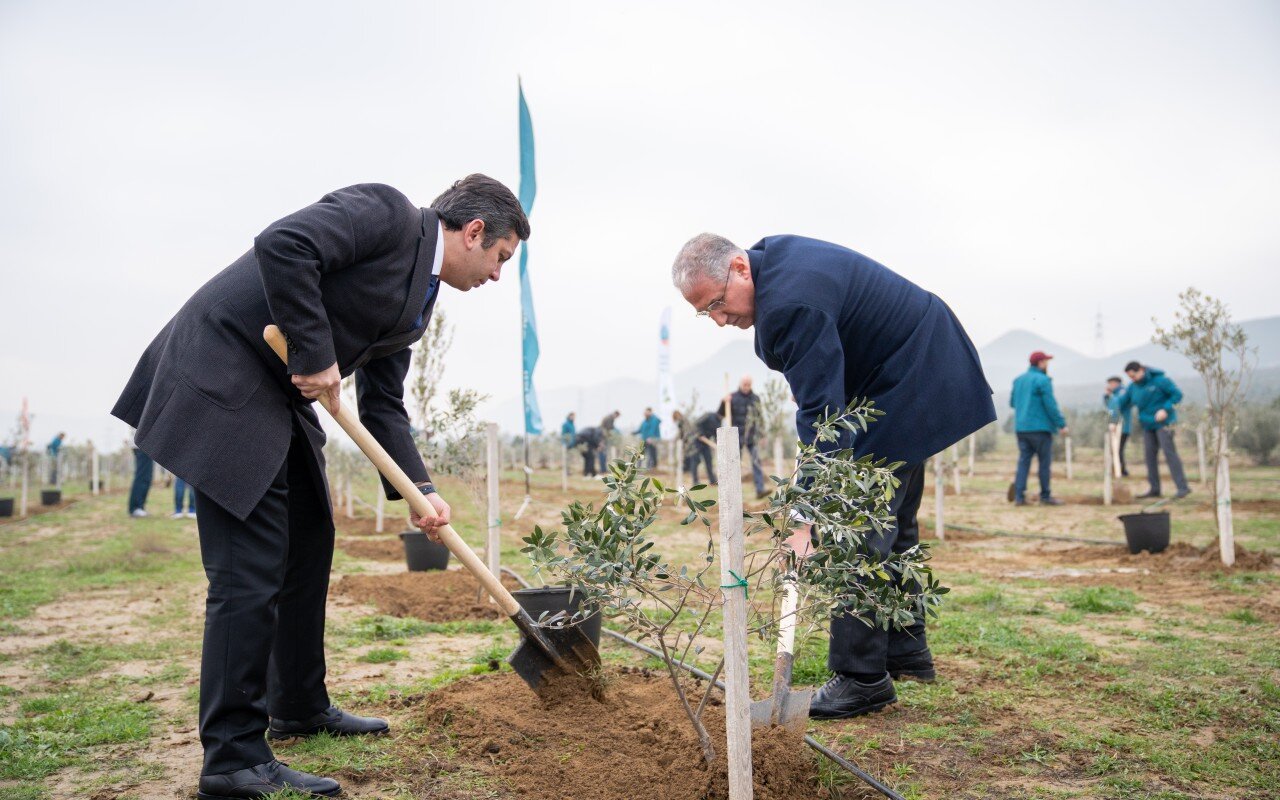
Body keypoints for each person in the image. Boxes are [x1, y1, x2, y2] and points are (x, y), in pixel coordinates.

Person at [111, 177, 529, 798]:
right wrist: (312, 349)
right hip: (224, 373)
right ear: (474, 233)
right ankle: (231, 758)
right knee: (248, 574)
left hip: (274, 395)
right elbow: (283, 244)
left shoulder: (419, 298)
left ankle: (298, 704)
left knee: (309, 541)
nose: (497, 275)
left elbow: (384, 404)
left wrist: (420, 487)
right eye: (501, 258)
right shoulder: (385, 213)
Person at [671, 232, 994, 720]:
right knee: (892, 522)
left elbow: (823, 414)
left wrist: (806, 517)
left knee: (858, 525)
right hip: (916, 364)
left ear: (739, 268)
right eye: (705, 313)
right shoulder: (773, 265)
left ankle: (862, 678)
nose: (718, 320)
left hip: (911, 375)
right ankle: (905, 649)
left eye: (717, 304)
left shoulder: (790, 302)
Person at [1117, 361, 1191, 499]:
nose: (1132, 379)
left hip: (1164, 424)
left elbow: (1177, 395)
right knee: (1149, 457)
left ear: (1141, 370)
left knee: (1169, 453)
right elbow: (1119, 404)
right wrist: (1110, 420)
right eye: (1130, 377)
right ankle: (1154, 489)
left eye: (1134, 375)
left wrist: (1165, 409)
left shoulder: (1160, 381)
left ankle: (1183, 488)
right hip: (1147, 425)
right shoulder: (1133, 387)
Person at [1010, 351, 1069, 506]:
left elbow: (1012, 403)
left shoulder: (1018, 380)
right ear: (1041, 363)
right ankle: (1045, 496)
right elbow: (1050, 405)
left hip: (1021, 428)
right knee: (1044, 463)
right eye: (1046, 361)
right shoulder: (1043, 380)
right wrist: (1061, 424)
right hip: (1040, 429)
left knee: (1023, 461)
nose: (1048, 365)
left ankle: (1019, 496)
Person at [717, 376, 767, 498]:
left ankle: (760, 489)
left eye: (748, 385)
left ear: (751, 384)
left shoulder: (755, 399)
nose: (746, 387)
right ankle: (732, 491)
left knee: (756, 461)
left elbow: (760, 417)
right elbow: (720, 414)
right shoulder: (731, 397)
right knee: (733, 463)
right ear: (740, 384)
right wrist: (723, 402)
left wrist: (762, 435)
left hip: (751, 435)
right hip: (735, 436)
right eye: (744, 384)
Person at [1104, 376, 1132, 476]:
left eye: (1111, 383)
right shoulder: (1114, 395)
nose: (1109, 386)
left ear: (1116, 383)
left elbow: (1115, 407)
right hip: (1117, 426)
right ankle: (1119, 470)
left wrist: (1113, 422)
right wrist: (1107, 397)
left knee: (1118, 450)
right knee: (1116, 449)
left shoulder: (1121, 394)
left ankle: (1120, 471)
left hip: (1122, 427)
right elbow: (1109, 408)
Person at [127, 431, 153, 518]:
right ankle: (136, 508)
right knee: (142, 476)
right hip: (142, 442)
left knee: (146, 476)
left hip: (143, 442)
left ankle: (139, 507)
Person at [691, 411, 720, 485]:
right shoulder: (708, 415)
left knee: (709, 461)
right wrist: (700, 434)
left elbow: (716, 434)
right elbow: (697, 423)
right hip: (696, 441)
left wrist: (717, 444)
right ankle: (695, 481)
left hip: (706, 442)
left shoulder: (718, 422)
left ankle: (712, 481)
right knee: (696, 461)